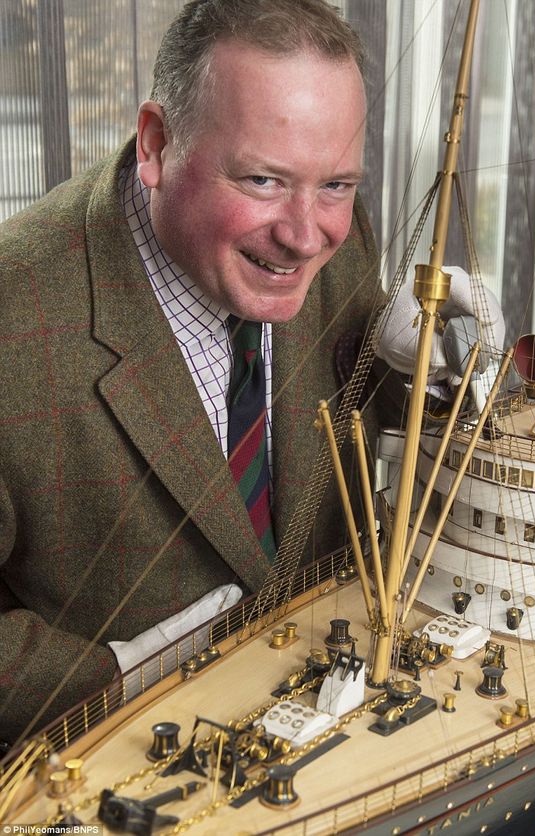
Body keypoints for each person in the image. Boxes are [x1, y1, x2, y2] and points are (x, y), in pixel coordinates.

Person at [0, 0, 381, 750]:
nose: (308, 236)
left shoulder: (341, 235)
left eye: (335, 184)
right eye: (264, 180)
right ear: (156, 143)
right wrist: (107, 680)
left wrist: (424, 384)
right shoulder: (13, 315)